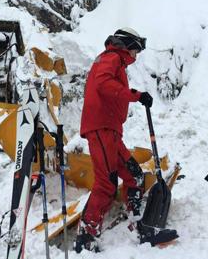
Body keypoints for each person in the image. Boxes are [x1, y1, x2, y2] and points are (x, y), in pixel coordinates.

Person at [74, 27, 153, 253]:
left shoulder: (115, 61)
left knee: (134, 175)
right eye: (135, 51)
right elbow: (103, 84)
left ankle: (137, 221)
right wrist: (135, 95)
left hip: (110, 131)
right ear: (126, 45)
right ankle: (86, 235)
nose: (136, 57)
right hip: (100, 128)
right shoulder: (111, 58)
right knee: (106, 183)